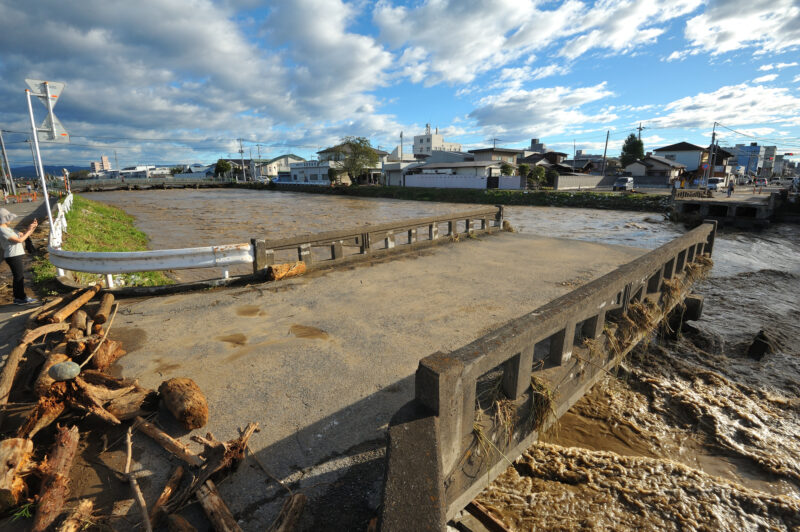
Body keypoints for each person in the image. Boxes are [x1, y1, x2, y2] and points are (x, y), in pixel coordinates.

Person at [0, 208, 38, 305]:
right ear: (3, 219)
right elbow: (19, 240)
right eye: (8, 218)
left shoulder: (8, 229)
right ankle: (20, 298)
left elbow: (23, 235)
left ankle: (20, 297)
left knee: (19, 276)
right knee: (18, 277)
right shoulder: (2, 230)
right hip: (12, 255)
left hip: (15, 255)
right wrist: (29, 231)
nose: (10, 220)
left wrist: (32, 227)